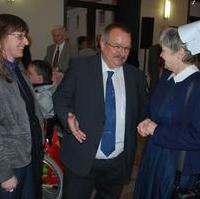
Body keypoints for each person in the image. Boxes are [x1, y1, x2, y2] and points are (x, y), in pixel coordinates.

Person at [53, 22, 148, 199]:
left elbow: (143, 110)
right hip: (82, 156)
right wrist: (68, 116)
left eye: (127, 48)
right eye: (117, 46)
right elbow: (60, 98)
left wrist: (148, 120)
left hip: (118, 162)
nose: (122, 53)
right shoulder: (80, 67)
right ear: (102, 44)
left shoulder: (136, 77)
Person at [133, 20, 200, 199]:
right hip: (153, 156)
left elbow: (197, 137)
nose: (161, 55)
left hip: (176, 166)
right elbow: (153, 108)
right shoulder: (167, 77)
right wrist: (146, 120)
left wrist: (157, 130)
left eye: (164, 50)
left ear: (180, 53)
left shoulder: (197, 86)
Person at [0, 14, 43, 199]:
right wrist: (4, 172)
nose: (26, 41)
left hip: (28, 154)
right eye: (20, 36)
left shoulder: (18, 68)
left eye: (25, 36)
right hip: (10, 163)